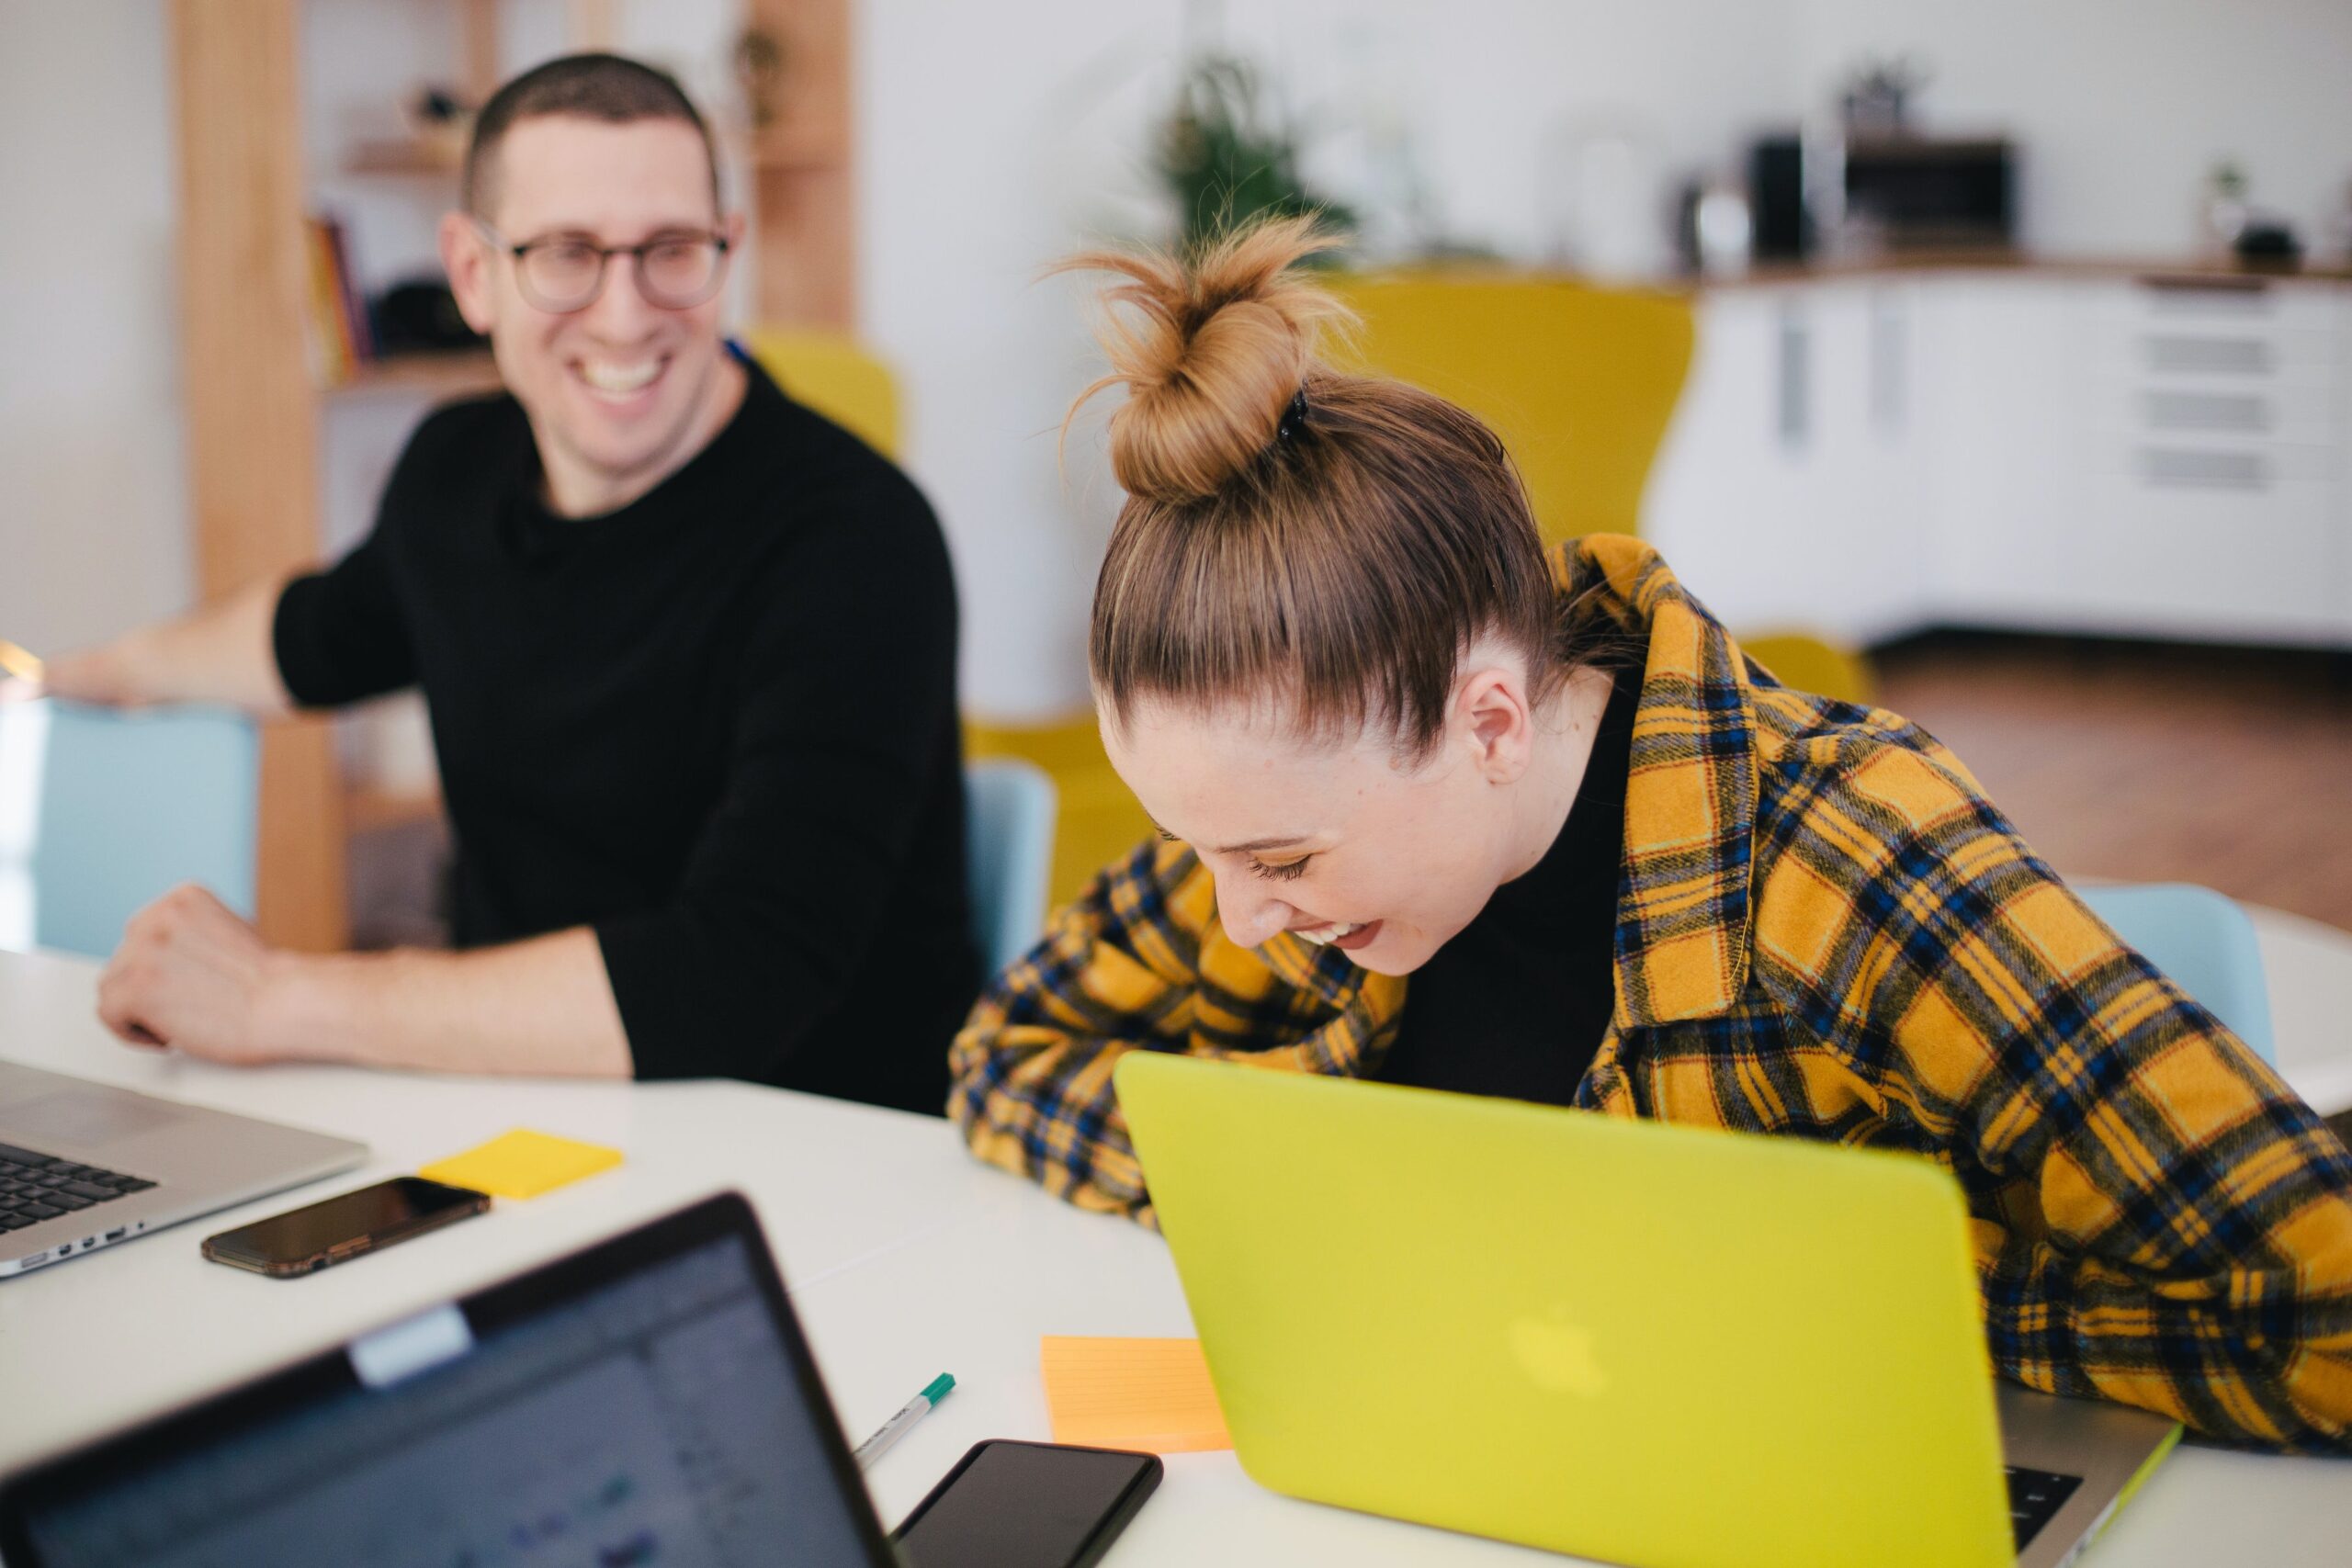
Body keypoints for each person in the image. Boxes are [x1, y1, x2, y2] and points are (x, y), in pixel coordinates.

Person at [948, 217, 2352, 1450]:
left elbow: (2325, 1310)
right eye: (1199, 845)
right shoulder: (1291, 820)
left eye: (1281, 861)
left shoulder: (1847, 860)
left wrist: (1879, 1288)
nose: (1237, 913)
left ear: (1489, 720)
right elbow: (1005, 1058)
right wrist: (1315, 1189)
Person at [30, 54, 976, 1113]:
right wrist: (76, 672)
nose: (623, 317)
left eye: (670, 252)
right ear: (473, 274)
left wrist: (278, 998)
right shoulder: (455, 471)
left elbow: (739, 976)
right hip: (514, 1107)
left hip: (816, 1150)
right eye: (565, 255)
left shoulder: (856, 539)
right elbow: (317, 635)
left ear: (727, 253)